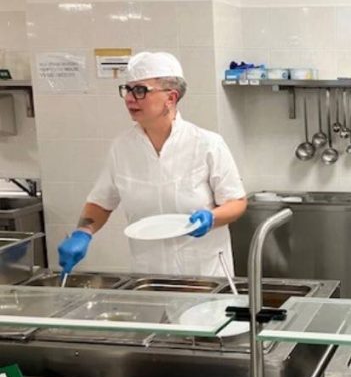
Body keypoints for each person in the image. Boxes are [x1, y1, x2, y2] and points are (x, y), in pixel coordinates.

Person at [57, 52, 247, 277]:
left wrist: (212, 218)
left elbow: (236, 202)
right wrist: (83, 232)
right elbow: (101, 202)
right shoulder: (122, 148)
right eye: (127, 90)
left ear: (171, 98)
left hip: (204, 274)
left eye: (140, 91)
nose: (129, 99)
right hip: (149, 276)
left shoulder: (207, 144)